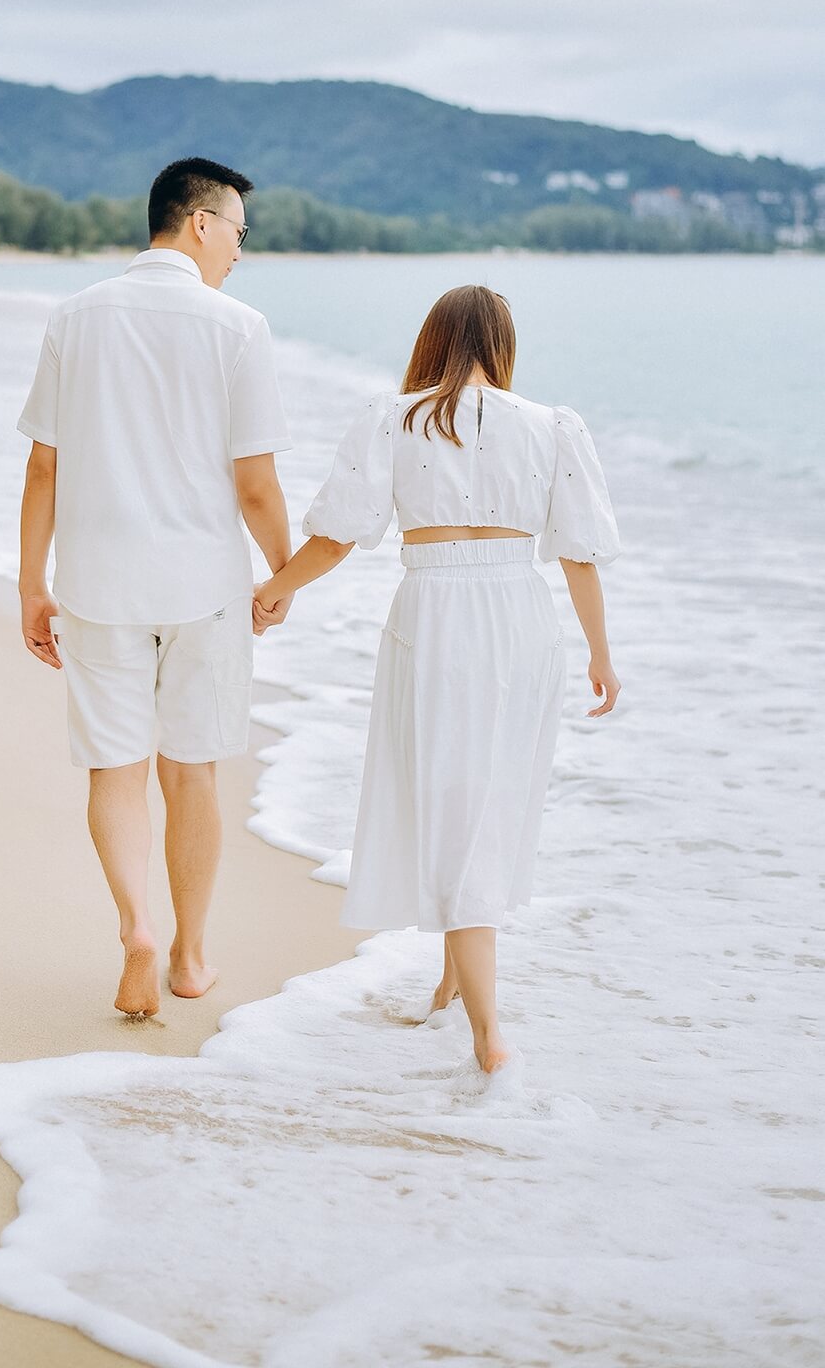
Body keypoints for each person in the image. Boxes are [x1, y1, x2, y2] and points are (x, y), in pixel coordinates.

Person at [254, 284, 621, 1074]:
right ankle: (451, 993)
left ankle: (489, 1033)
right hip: (523, 619)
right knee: (487, 802)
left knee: (456, 806)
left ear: (433, 340)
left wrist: (276, 586)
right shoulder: (552, 426)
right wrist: (601, 652)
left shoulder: (395, 418)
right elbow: (580, 552)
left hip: (433, 616)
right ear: (504, 342)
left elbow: (340, 534)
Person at [17, 157, 293, 1019]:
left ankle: (136, 924)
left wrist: (32, 583)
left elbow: (42, 466)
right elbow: (254, 483)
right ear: (200, 222)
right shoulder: (239, 328)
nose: (240, 254)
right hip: (202, 586)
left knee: (114, 767)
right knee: (194, 770)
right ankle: (189, 956)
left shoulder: (75, 316)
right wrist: (284, 572)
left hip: (97, 582)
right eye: (239, 233)